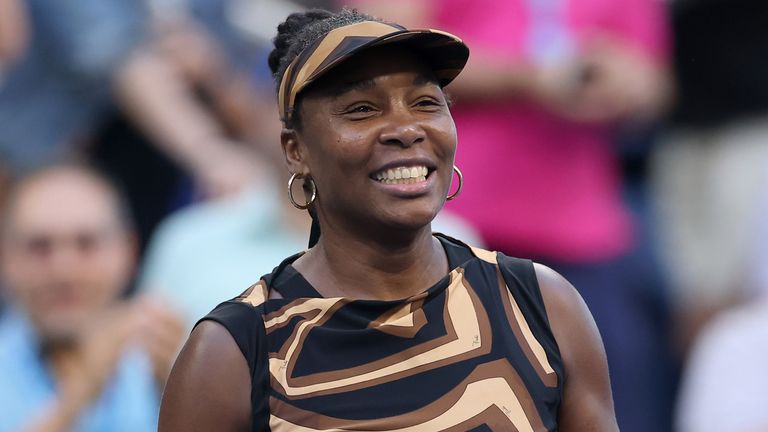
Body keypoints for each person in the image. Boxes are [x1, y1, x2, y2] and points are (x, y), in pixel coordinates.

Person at [159, 8, 618, 431]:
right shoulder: (233, 354)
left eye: (426, 102)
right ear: (295, 150)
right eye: (362, 109)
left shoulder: (542, 305)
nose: (406, 129)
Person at [0, 163, 184, 432]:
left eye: (87, 244)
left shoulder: (164, 354)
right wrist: (82, 391)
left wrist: (177, 387)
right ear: (6, 258)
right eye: (40, 247)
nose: (64, 270)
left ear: (129, 252)